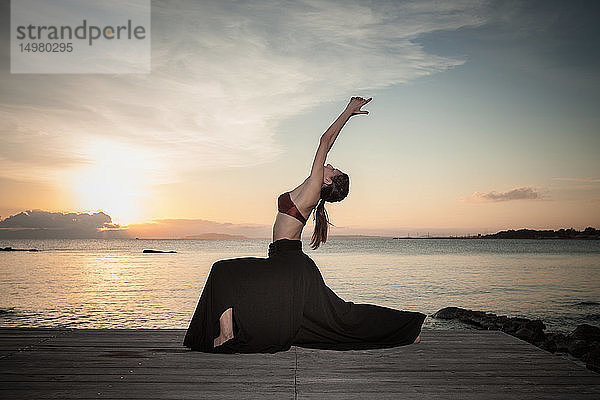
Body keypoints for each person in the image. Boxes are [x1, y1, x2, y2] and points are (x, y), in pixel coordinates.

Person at [183, 96, 426, 353]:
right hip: (284, 261)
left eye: (332, 170)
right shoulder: (308, 189)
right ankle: (227, 331)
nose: (329, 166)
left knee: (340, 315)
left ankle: (408, 328)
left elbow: (325, 141)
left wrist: (348, 111)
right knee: (335, 314)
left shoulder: (312, 190)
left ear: (328, 182)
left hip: (289, 264)